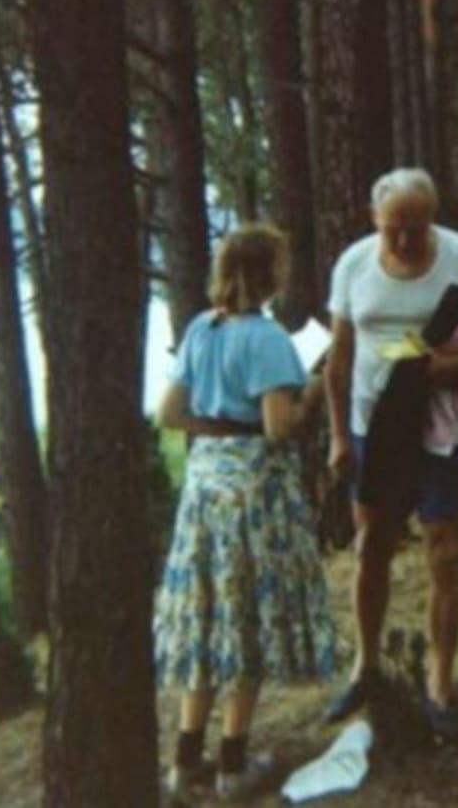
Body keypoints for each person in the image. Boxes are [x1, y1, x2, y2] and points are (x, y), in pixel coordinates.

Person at [322, 167, 458, 738]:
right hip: (374, 425)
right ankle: (365, 666)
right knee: (373, 546)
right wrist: (339, 437)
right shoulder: (354, 264)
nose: (408, 240)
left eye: (418, 227)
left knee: (446, 551)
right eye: (395, 229)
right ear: (374, 220)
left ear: (433, 219)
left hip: (443, 426)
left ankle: (440, 678)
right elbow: (338, 362)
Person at [153, 222, 336, 801]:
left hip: (205, 490)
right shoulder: (267, 338)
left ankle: (184, 761)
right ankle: (232, 765)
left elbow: (169, 412)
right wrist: (314, 386)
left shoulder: (200, 329)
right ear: (271, 274)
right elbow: (279, 428)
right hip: (254, 497)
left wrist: (220, 429)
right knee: (245, 622)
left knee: (208, 620)